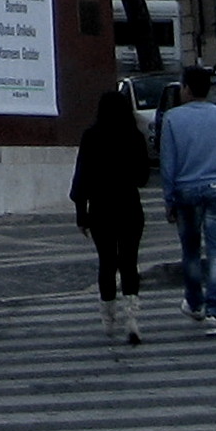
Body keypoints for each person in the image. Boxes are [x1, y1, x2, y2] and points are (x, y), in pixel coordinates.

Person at [158, 64, 216, 336]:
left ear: (186, 88)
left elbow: (167, 164)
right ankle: (215, 312)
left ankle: (195, 303)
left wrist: (169, 198)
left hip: (186, 191)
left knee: (191, 251)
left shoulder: (172, 118)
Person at [71, 89, 151, 345]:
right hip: (129, 205)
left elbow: (81, 176)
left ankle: (108, 318)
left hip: (101, 208)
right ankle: (132, 317)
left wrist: (81, 213)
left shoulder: (91, 136)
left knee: (107, 262)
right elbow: (143, 177)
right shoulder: (135, 136)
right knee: (129, 261)